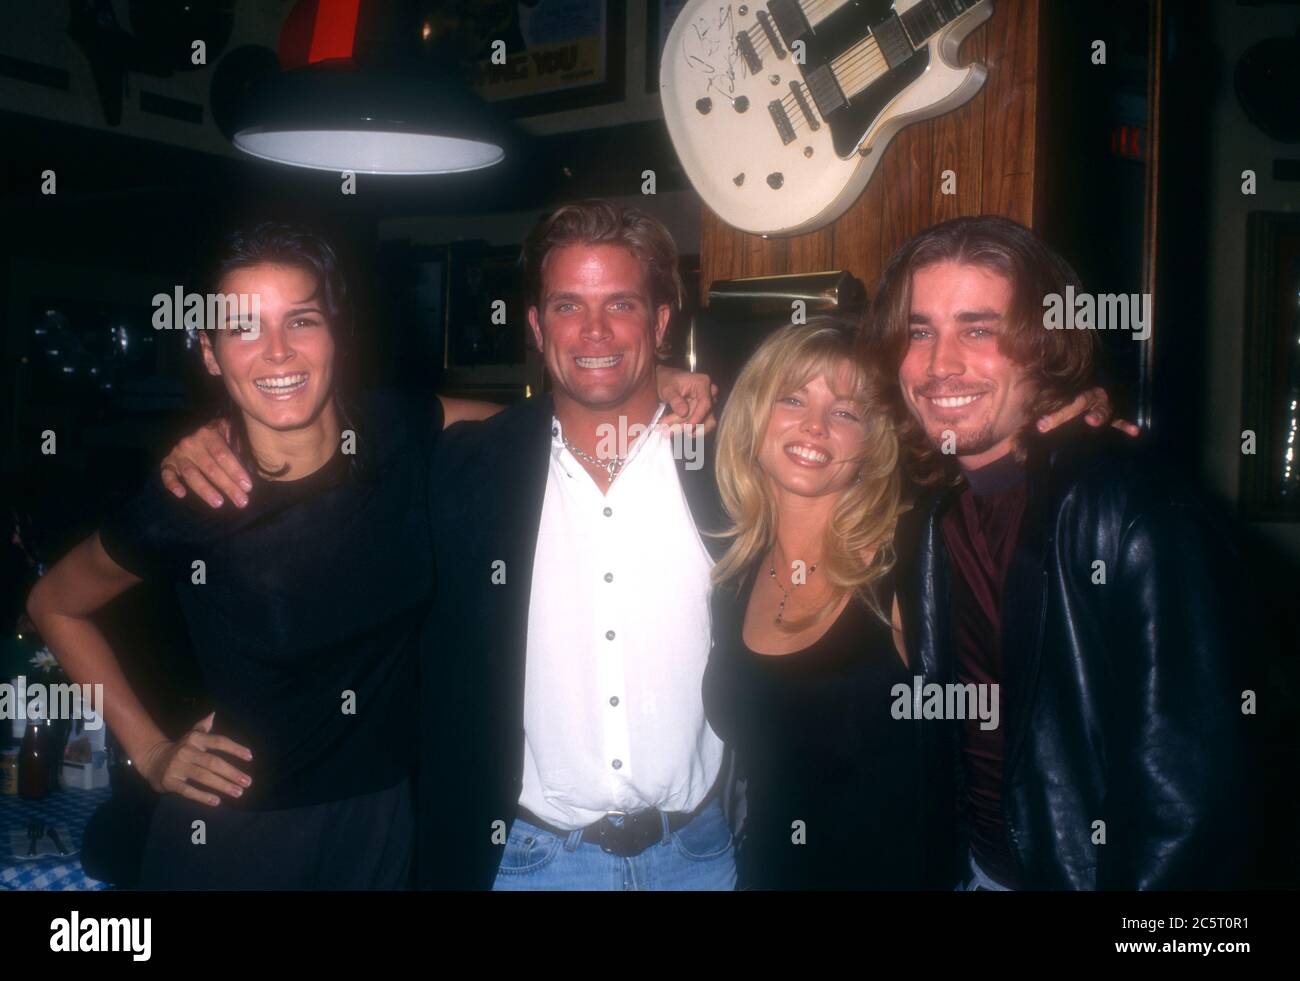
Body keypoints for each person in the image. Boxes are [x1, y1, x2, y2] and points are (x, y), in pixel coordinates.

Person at [872, 215, 1251, 890]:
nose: (939, 364)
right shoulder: (932, 504)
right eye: (920, 330)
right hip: (971, 870)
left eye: (979, 329)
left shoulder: (1125, 505)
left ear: (1042, 345)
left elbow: (1188, 795)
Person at [419, 200, 736, 891]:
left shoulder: (727, 463)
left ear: (659, 321)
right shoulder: (468, 469)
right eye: (567, 306)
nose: (595, 330)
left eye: (620, 303)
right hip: (532, 862)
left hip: (702, 859)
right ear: (535, 325)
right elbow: (359, 424)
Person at [702, 319, 938, 890]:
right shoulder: (733, 578)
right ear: (754, 416)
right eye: (792, 398)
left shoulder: (911, 558)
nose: (815, 425)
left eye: (845, 412)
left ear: (871, 444)